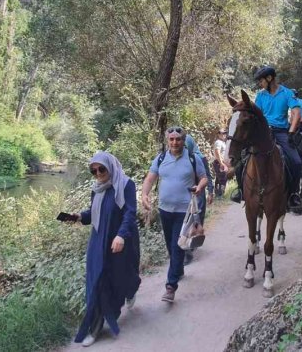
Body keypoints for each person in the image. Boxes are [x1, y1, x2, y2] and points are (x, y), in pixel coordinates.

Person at [67, 151, 141, 347]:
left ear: (111, 166)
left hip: (120, 241)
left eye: (101, 168)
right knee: (98, 282)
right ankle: (95, 327)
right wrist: (78, 217)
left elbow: (130, 213)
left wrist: (121, 235)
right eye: (94, 171)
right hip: (99, 241)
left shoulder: (126, 184)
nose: (98, 173)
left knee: (124, 277)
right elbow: (93, 212)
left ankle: (131, 289)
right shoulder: (97, 189)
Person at [140, 126, 208, 303]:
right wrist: (144, 194)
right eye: (171, 139)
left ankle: (171, 286)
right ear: (167, 141)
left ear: (183, 140)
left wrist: (200, 187)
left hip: (184, 211)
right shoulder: (161, 158)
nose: (174, 142)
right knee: (171, 247)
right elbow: (150, 178)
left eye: (178, 139)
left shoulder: (192, 158)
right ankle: (178, 270)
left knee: (177, 247)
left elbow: (204, 177)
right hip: (164, 210)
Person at [232, 65, 302, 210]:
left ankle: (293, 194)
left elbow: (296, 113)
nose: (260, 83)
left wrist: (291, 131)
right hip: (264, 133)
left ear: (269, 78)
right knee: (243, 157)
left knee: (296, 161)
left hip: (282, 132)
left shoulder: (287, 93)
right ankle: (241, 190)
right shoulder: (260, 96)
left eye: (261, 80)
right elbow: (257, 115)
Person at [184, 134, 214, 265]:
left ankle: (190, 246)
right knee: (186, 221)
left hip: (199, 192)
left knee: (196, 218)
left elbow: (207, 175)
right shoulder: (179, 159)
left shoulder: (200, 158)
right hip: (185, 193)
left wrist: (211, 191)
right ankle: (187, 249)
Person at [211, 130, 229, 198]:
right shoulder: (218, 142)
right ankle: (220, 196)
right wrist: (221, 163)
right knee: (223, 178)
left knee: (219, 179)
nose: (224, 134)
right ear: (218, 134)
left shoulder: (223, 142)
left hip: (221, 163)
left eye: (225, 133)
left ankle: (218, 194)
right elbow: (217, 152)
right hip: (219, 163)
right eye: (222, 133)